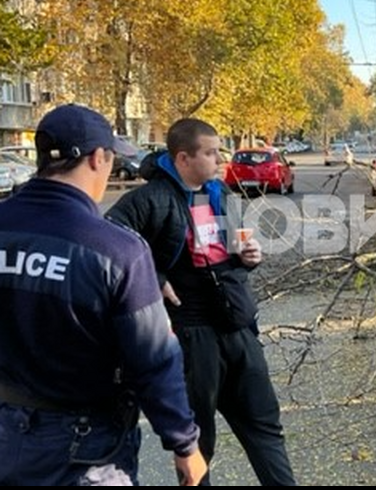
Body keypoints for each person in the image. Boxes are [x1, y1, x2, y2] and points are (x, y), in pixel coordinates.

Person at [0, 104, 207, 485]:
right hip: (85, 449)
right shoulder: (117, 250)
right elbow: (153, 359)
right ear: (98, 158)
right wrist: (185, 444)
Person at [107, 118, 296, 485]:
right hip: (192, 335)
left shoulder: (220, 194)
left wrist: (248, 256)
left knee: (265, 429)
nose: (218, 160)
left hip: (238, 327)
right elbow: (111, 243)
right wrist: (155, 280)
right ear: (183, 158)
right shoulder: (149, 199)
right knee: (197, 444)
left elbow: (235, 247)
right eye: (210, 153)